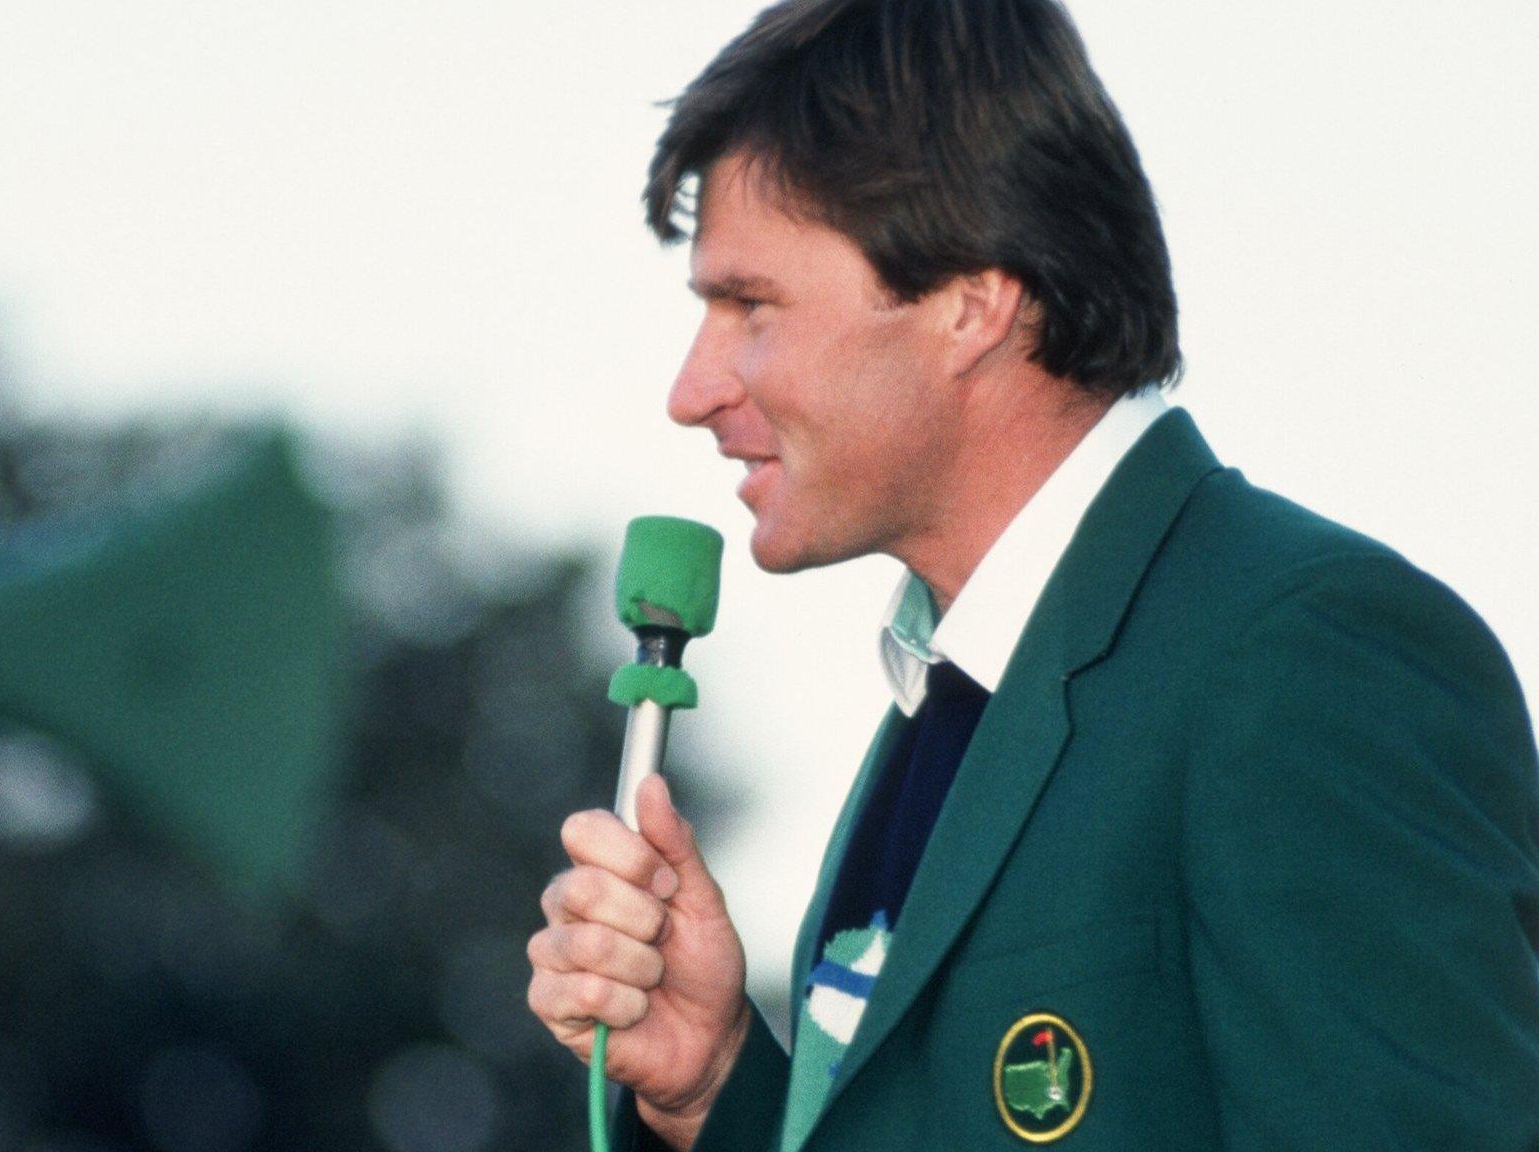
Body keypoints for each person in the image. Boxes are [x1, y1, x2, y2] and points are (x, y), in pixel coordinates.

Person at [524, 0, 1539, 1148]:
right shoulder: (954, 685)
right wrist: (710, 1087)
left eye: (749, 305)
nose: (690, 387)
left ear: (971, 298)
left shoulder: (1306, 653)